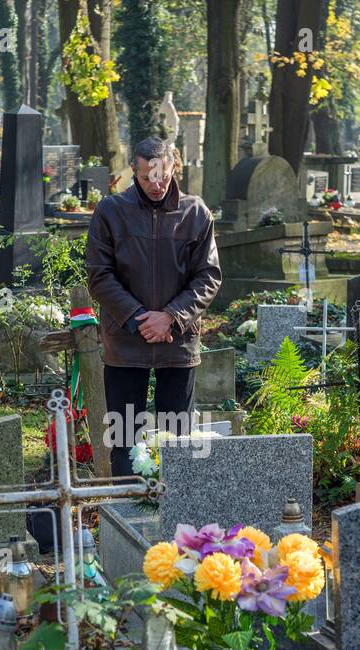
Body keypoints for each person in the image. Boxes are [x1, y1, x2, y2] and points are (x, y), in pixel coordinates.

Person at [85, 137, 222, 476]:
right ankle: (125, 510)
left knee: (179, 440)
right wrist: (137, 319)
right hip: (125, 343)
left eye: (162, 176)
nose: (156, 185)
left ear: (174, 167)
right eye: (147, 178)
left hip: (177, 342)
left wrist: (171, 318)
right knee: (124, 438)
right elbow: (99, 275)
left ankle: (177, 518)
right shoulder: (111, 212)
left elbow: (208, 275)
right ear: (135, 171)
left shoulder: (196, 212)